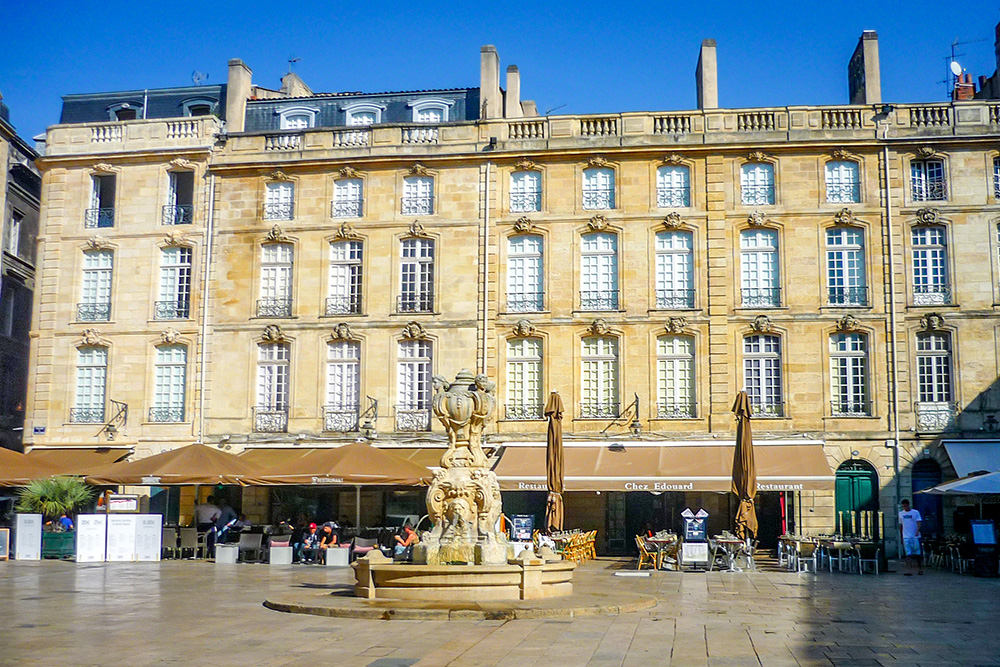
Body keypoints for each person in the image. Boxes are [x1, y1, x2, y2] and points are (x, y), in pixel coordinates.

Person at [898, 499, 923, 576]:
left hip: (915, 536)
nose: (904, 508)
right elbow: (901, 525)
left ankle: (920, 569)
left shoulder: (915, 512)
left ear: (908, 505)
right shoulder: (901, 514)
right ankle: (909, 570)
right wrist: (901, 536)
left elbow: (919, 522)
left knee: (917, 554)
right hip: (906, 536)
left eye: (905, 506)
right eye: (903, 506)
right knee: (908, 554)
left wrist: (917, 530)